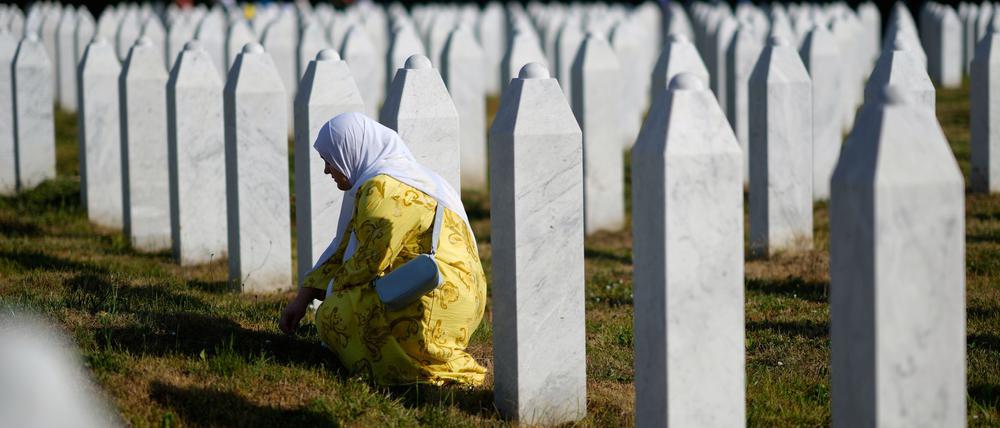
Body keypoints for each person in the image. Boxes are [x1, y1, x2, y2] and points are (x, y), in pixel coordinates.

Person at [279, 112, 487, 386]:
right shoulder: (403, 177)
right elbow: (343, 251)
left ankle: (418, 373)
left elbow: (369, 261)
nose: (327, 170)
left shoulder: (383, 188)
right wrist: (302, 299)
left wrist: (331, 296)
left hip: (434, 297)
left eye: (329, 160)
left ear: (349, 151)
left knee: (333, 314)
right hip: (459, 296)